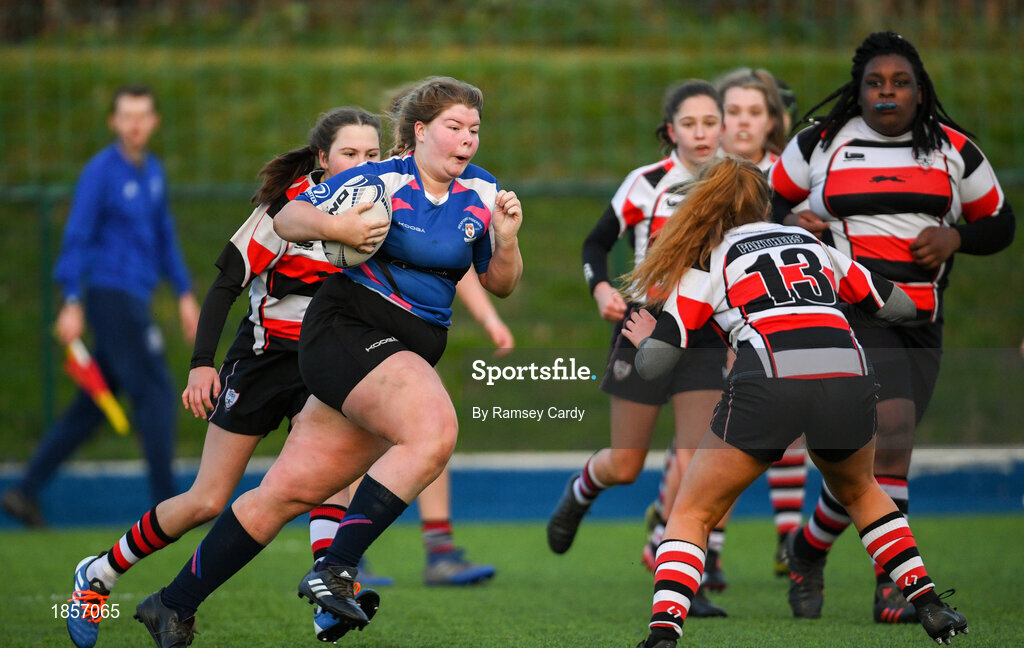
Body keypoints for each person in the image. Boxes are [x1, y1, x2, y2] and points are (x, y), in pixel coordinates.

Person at [132, 76, 522, 646]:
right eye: (455, 128)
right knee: (434, 430)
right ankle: (335, 570)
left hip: (404, 350)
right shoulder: (383, 179)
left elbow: (501, 283)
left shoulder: (483, 194)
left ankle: (170, 604)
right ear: (420, 133)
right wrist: (338, 227)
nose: (467, 140)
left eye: (475, 131)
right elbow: (289, 219)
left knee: (285, 493)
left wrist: (507, 241)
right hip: (347, 330)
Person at [621, 156, 968, 648]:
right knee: (863, 492)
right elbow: (900, 306)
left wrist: (644, 342)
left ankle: (662, 635)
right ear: (766, 202)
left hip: (770, 380)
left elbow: (656, 364)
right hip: (848, 375)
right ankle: (929, 603)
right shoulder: (811, 243)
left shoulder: (709, 257)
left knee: (693, 511)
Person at [770, 31, 1015, 625]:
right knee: (894, 433)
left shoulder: (954, 150)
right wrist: (793, 219)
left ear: (919, 90)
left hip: (922, 319)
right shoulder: (823, 143)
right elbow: (764, 200)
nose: (886, 93)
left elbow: (1001, 225)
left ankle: (809, 547)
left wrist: (957, 236)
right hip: (852, 311)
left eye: (899, 83)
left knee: (877, 460)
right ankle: (894, 588)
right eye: (875, 83)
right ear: (857, 89)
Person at [547, 80, 728, 617]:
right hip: (642, 326)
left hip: (705, 334)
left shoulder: (736, 182)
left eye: (710, 123)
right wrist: (600, 287)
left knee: (699, 465)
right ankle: (581, 490)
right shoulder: (645, 183)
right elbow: (595, 243)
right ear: (670, 130)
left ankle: (680, 587)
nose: (701, 133)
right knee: (626, 464)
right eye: (689, 124)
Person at [2, 85, 199, 529]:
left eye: (142, 115)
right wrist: (71, 300)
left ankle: (24, 489)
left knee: (91, 406)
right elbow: (78, 237)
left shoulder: (153, 172)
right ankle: (167, 510)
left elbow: (164, 237)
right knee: (157, 392)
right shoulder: (100, 172)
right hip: (111, 297)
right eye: (126, 115)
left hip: (135, 296)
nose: (134, 123)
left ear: (154, 122)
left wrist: (185, 294)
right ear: (113, 122)